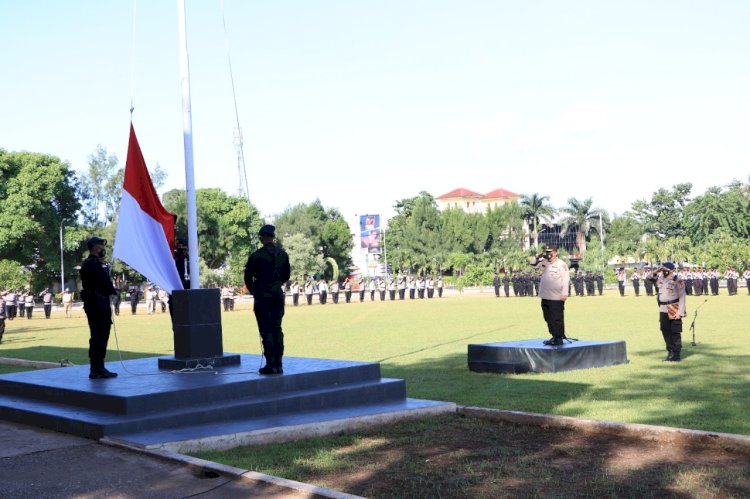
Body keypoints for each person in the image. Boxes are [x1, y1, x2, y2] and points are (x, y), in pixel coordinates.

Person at [244, 224, 291, 375]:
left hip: (263, 297)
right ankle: (279, 363)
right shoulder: (283, 255)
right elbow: (286, 276)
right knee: (277, 329)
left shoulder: (257, 255)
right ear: (273, 236)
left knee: (266, 330)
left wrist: (255, 292)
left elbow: (247, 277)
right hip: (277, 296)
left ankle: (271, 363)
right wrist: (275, 284)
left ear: (263, 236)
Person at [80, 236, 118, 379]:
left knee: (97, 336)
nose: (104, 250)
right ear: (96, 248)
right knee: (100, 335)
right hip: (98, 303)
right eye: (102, 247)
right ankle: (98, 368)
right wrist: (113, 291)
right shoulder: (94, 264)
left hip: (94, 303)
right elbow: (104, 283)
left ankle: (96, 368)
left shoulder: (89, 263)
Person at [646, 262, 686, 362]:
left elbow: (682, 297)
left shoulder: (678, 280)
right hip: (663, 308)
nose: (663, 269)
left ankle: (676, 354)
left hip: (674, 307)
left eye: (665, 268)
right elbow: (648, 278)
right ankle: (670, 351)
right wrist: (657, 270)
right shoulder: (660, 279)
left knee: (675, 332)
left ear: (671, 270)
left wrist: (680, 312)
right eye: (662, 268)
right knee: (665, 331)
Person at [532, 244, 570, 346]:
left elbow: (566, 280)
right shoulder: (544, 263)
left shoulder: (561, 264)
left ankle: (559, 338)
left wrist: (564, 293)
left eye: (550, 252)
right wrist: (537, 256)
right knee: (548, 318)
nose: (548, 254)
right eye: (547, 252)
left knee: (556, 318)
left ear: (555, 253)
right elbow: (533, 264)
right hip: (545, 296)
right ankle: (554, 336)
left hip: (556, 297)